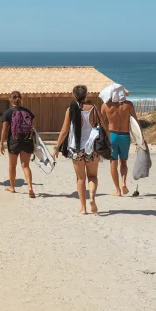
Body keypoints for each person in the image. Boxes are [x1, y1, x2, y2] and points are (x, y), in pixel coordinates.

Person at [54, 85, 109, 214]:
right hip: (92, 149)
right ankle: (92, 198)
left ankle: (83, 208)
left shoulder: (70, 110)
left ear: (74, 95)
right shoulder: (94, 108)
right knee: (93, 176)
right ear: (86, 95)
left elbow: (64, 130)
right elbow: (104, 127)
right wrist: (109, 143)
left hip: (76, 149)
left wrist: (57, 147)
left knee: (80, 179)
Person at [100, 83, 137, 196]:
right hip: (125, 136)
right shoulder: (128, 105)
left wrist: (104, 136)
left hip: (112, 136)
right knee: (124, 162)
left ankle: (118, 190)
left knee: (113, 163)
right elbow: (135, 121)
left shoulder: (106, 106)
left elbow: (101, 123)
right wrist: (139, 139)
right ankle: (123, 182)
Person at [0, 91, 36, 198]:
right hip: (27, 140)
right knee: (25, 166)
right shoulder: (28, 112)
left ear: (10, 100)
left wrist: (1, 143)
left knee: (12, 165)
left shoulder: (8, 112)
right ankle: (30, 187)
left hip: (14, 141)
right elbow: (33, 128)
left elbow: (4, 130)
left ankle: (12, 187)